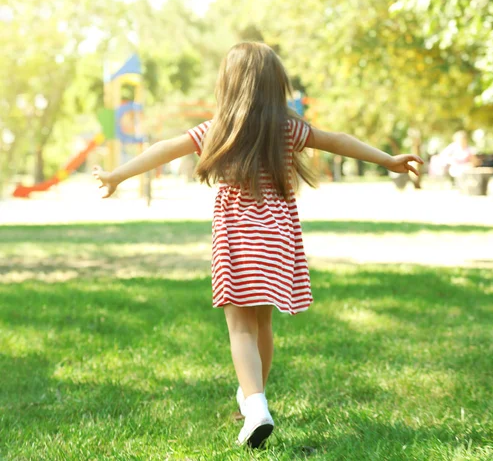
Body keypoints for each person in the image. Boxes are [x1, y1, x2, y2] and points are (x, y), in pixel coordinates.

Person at [92, 42, 423, 449]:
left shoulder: (220, 129)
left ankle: (255, 405)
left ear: (228, 86)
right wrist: (388, 159)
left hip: (237, 235)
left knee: (240, 328)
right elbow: (339, 140)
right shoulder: (288, 129)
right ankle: (254, 398)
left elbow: (164, 149)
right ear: (275, 86)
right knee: (262, 323)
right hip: (278, 236)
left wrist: (117, 175)